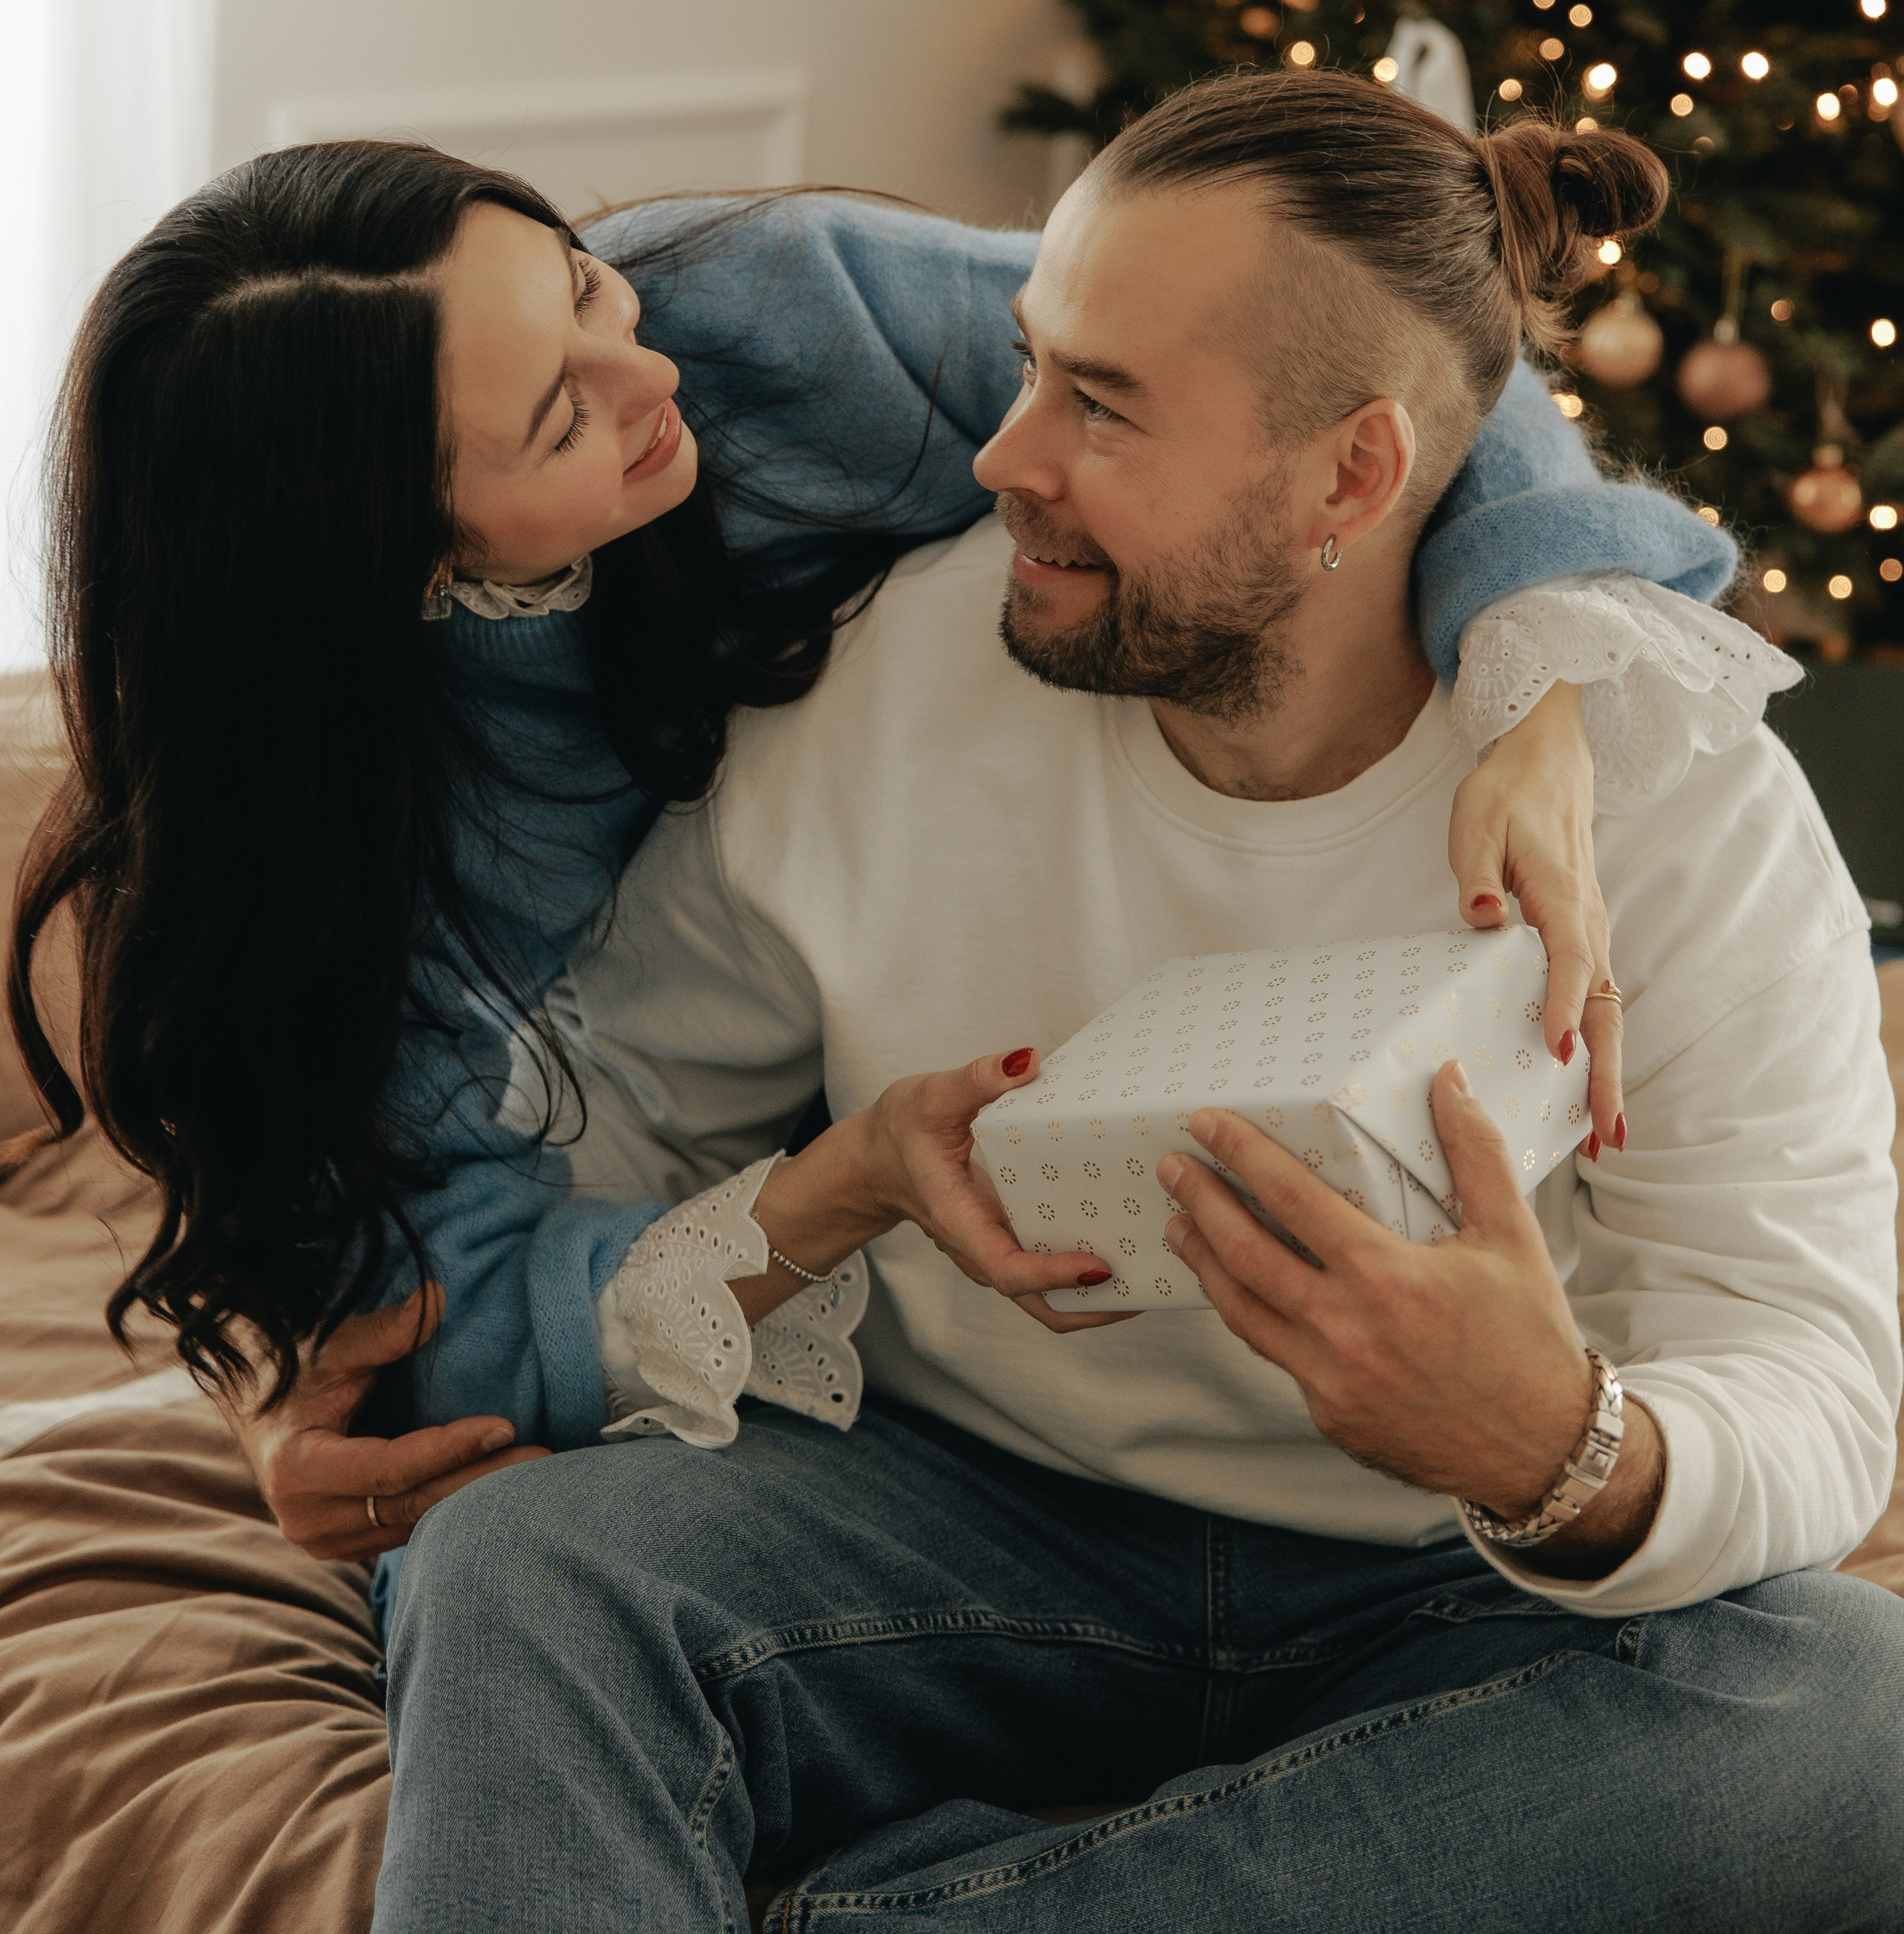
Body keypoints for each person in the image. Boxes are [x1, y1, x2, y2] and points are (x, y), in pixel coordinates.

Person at [370, 79, 1903, 1933]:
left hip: (1456, 1595)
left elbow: (1811, 1382)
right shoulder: (888, 680)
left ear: (1354, 473)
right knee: (518, 1570)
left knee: (1850, 1713)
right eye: (1027, 368)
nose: (1002, 458)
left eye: (1097, 406)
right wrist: (824, 1192)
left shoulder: (1665, 790)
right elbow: (602, 1131)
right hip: (955, 1529)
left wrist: (1552, 1445)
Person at [8, 137, 1752, 1564]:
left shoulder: (763, 311)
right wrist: (296, 1374)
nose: (651, 369)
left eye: (584, 284)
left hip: (972, 970)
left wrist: (1533, 681)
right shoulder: (355, 855)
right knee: (499, 1576)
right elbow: (434, 1309)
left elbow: (1365, 346)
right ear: (379, 565)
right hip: (767, 1185)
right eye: (557, 414)